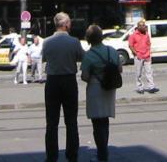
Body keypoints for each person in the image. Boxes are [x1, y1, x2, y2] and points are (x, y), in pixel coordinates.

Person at [41, 12, 84, 162]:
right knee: (71, 121)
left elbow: (44, 58)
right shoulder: (74, 41)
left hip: (52, 82)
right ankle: (72, 154)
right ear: (65, 25)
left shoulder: (47, 42)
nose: (70, 25)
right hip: (69, 81)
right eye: (70, 23)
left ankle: (51, 156)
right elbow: (81, 57)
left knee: (51, 122)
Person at [81, 25, 121, 162]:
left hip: (95, 88)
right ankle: (104, 152)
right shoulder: (112, 51)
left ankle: (102, 154)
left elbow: (85, 76)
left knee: (97, 122)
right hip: (110, 88)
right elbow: (119, 69)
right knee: (105, 120)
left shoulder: (89, 55)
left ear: (88, 39)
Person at [128, 20, 158, 94]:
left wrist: (148, 51)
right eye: (141, 25)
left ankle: (151, 87)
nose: (144, 26)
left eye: (144, 25)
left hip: (147, 56)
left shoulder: (146, 34)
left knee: (149, 72)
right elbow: (130, 45)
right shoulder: (133, 35)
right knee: (138, 73)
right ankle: (140, 87)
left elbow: (148, 43)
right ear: (138, 27)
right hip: (139, 56)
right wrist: (136, 53)